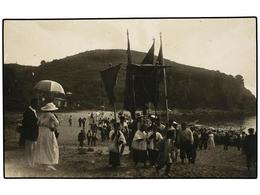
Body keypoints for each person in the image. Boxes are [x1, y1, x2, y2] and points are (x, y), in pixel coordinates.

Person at [34, 102, 59, 171]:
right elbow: (57, 123)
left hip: (41, 132)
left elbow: (37, 123)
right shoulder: (51, 115)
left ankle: (43, 163)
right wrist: (52, 126)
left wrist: (44, 123)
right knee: (50, 146)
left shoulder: (42, 115)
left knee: (42, 146)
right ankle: (48, 164)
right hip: (48, 132)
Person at [22, 98, 39, 167]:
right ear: (33, 104)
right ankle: (29, 163)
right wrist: (37, 123)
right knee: (30, 148)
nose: (38, 105)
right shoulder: (28, 112)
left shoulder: (33, 111)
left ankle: (31, 162)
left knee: (32, 148)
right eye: (36, 103)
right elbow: (27, 123)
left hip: (32, 133)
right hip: (30, 133)